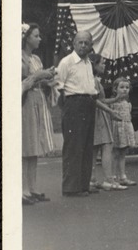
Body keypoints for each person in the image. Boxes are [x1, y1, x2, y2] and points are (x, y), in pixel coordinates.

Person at [56, 30, 99, 196]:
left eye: (86, 43)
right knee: (74, 146)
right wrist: (68, 108)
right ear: (74, 44)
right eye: (80, 42)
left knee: (87, 145)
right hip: (74, 104)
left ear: (90, 45)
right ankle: (71, 187)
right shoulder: (67, 62)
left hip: (88, 103)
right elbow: (58, 86)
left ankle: (83, 185)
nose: (83, 45)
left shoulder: (88, 63)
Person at [21, 23, 57, 204]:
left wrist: (47, 80)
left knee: (34, 144)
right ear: (26, 37)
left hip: (37, 101)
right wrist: (39, 76)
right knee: (26, 144)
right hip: (25, 102)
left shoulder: (36, 58)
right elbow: (23, 83)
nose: (39, 39)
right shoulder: (19, 58)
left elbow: (38, 81)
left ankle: (32, 187)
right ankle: (23, 189)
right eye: (36, 35)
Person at [91, 64, 124, 191]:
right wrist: (110, 112)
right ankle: (109, 179)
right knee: (107, 145)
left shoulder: (94, 80)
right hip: (99, 116)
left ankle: (92, 178)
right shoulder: (94, 81)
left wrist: (115, 99)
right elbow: (96, 101)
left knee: (95, 147)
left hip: (97, 115)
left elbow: (102, 100)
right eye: (102, 62)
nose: (104, 65)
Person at [109, 77, 138, 187]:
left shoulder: (128, 103)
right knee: (115, 153)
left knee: (122, 153)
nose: (125, 89)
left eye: (127, 87)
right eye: (121, 87)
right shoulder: (113, 103)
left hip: (125, 127)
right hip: (117, 128)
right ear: (115, 89)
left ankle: (122, 176)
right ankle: (113, 176)